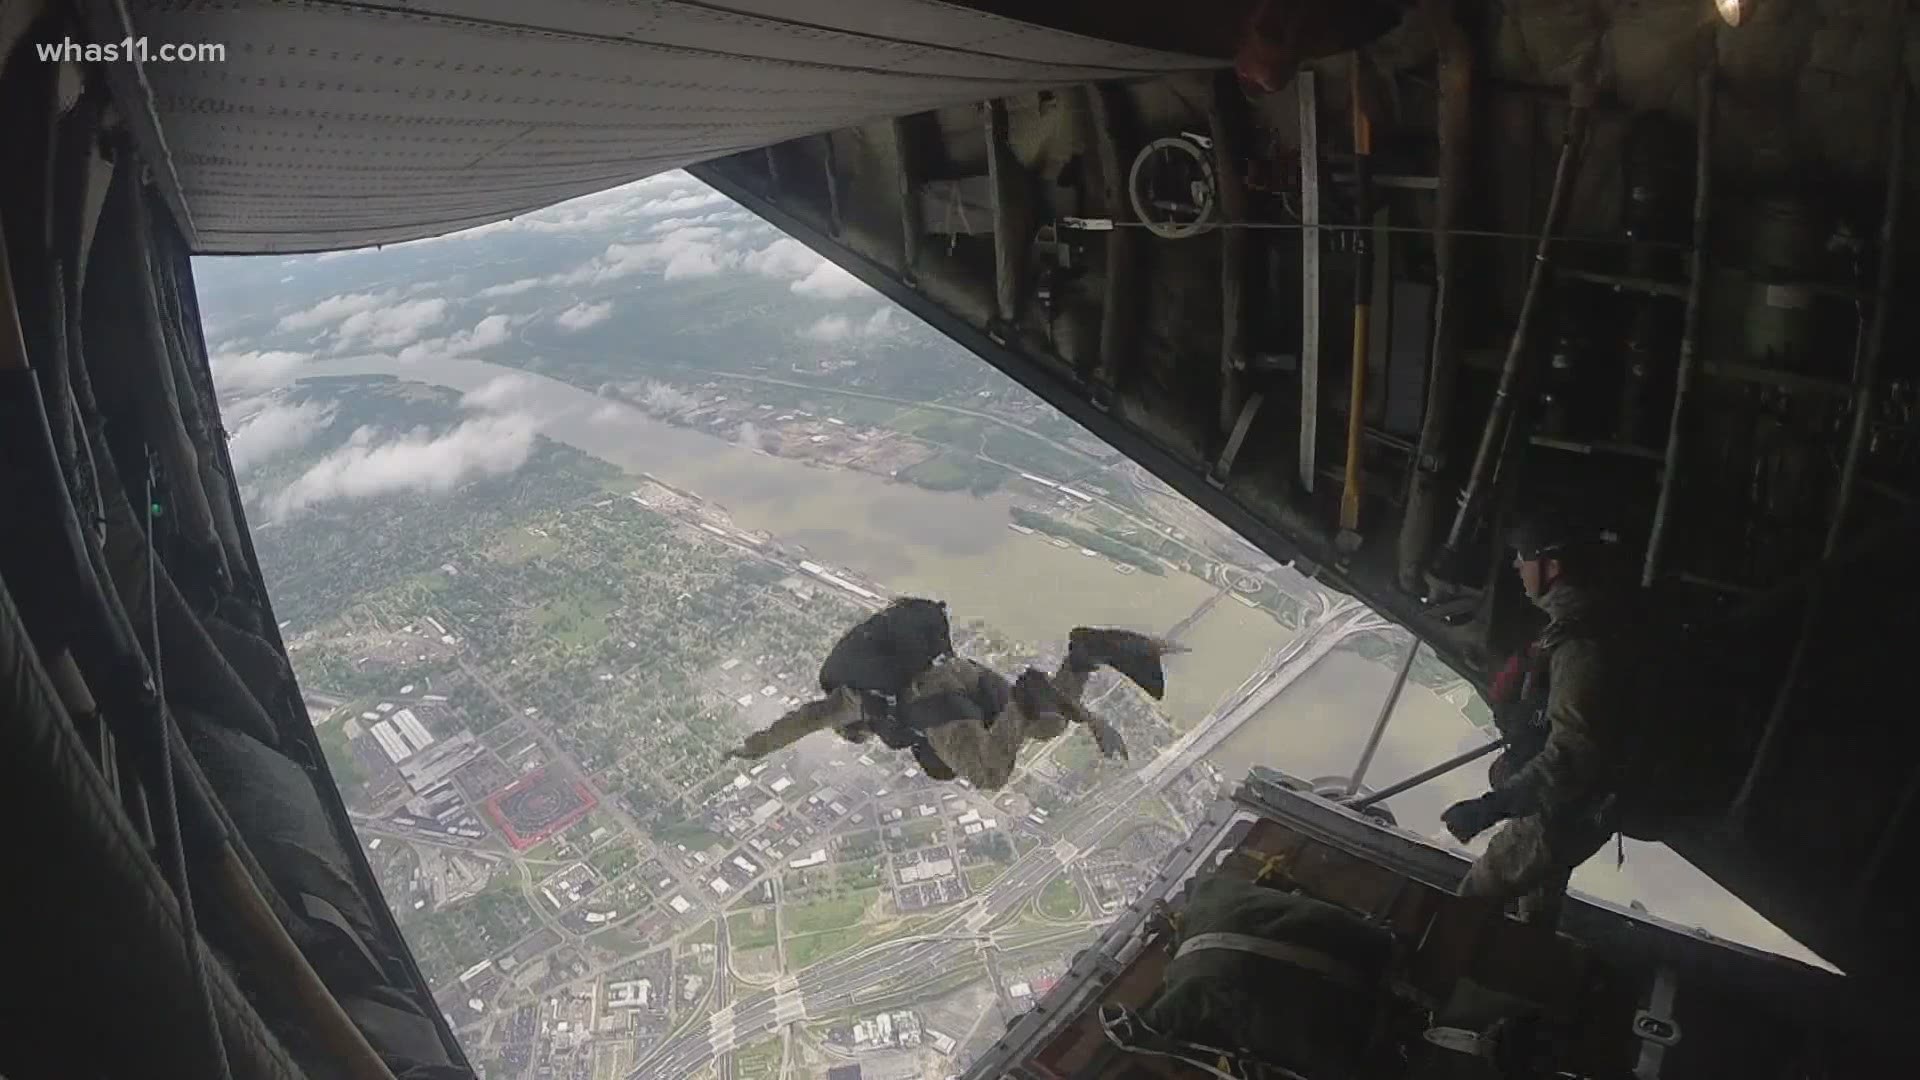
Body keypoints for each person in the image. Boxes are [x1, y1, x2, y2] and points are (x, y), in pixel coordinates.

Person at [726, 598, 1183, 790]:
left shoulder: (849, 704)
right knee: (1046, 726)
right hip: (962, 673)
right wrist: (1080, 713)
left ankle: (1033, 693)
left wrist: (753, 748)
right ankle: (1084, 655)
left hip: (934, 693)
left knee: (989, 775)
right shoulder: (874, 689)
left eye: (858, 737)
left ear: (854, 731)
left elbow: (802, 720)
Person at [1440, 508, 1638, 925]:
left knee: (1476, 896)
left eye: (1523, 556)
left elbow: (1571, 755)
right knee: (1537, 906)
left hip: (1562, 810)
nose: (1516, 564)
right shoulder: (1589, 624)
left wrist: (1488, 809)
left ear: (1552, 567)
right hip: (1579, 808)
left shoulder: (1579, 646)